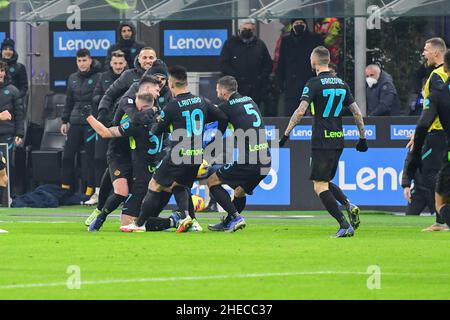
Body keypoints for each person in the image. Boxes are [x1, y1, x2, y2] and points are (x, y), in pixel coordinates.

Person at [120, 65, 228, 233]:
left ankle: (139, 224)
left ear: (171, 84)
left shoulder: (172, 106)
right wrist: (215, 138)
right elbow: (222, 117)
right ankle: (189, 219)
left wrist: (155, 118)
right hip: (197, 155)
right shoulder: (201, 101)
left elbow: (156, 130)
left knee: (154, 185)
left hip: (179, 155)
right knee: (180, 186)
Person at [279, 46, 368, 238]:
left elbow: (300, 111)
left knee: (319, 186)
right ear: (328, 61)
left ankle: (343, 224)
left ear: (313, 62)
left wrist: (285, 135)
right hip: (338, 139)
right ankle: (348, 204)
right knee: (325, 181)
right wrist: (362, 138)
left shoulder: (313, 83)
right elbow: (357, 113)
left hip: (321, 139)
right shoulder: (342, 84)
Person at [84, 75, 162, 229]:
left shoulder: (136, 123)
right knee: (121, 192)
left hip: (139, 167)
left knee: (129, 218)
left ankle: (175, 219)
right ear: (146, 89)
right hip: (123, 155)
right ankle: (100, 212)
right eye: (157, 89)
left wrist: (88, 117)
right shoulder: (133, 102)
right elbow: (136, 115)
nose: (159, 93)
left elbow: (107, 132)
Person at [206, 76, 271, 232]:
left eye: (217, 90)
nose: (217, 92)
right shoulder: (250, 101)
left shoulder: (226, 106)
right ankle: (228, 222)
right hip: (266, 160)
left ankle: (236, 217)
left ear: (222, 91)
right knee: (239, 191)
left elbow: (212, 119)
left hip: (250, 160)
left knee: (212, 181)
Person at [407, 37, 449, 232]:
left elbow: (434, 108)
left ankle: (442, 220)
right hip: (441, 132)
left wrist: (418, 135)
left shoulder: (437, 76)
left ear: (436, 52)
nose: (423, 53)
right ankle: (441, 220)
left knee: (430, 174)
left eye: (426, 49)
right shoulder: (440, 74)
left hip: (438, 132)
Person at [86, 50, 128, 206]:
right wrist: (108, 98)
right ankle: (98, 193)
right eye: (115, 63)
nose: (118, 66)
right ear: (110, 63)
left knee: (125, 159)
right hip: (105, 122)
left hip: (124, 124)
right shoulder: (102, 77)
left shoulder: (130, 78)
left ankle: (125, 195)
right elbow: (95, 96)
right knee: (98, 158)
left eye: (120, 63)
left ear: (125, 63)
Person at [60, 48, 102, 196]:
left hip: (90, 121)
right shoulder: (72, 78)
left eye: (84, 60)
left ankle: (90, 188)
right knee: (68, 155)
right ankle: (65, 188)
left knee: (90, 157)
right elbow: (69, 100)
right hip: (74, 120)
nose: (82, 63)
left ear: (90, 60)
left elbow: (99, 100)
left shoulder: (99, 76)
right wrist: (64, 121)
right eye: (79, 61)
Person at [276, 16, 323, 116]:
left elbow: (320, 60)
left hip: (310, 81)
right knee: (291, 112)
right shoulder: (286, 41)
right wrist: (279, 81)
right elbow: (282, 62)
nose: (299, 26)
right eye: (296, 24)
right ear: (292, 26)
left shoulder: (315, 39)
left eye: (301, 23)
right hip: (291, 85)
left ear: (305, 25)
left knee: (313, 111)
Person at [219, 19, 273, 106]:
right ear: (240, 28)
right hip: (236, 88)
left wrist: (260, 77)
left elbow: (268, 64)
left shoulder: (259, 45)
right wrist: (235, 77)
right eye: (244, 28)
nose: (246, 31)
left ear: (253, 30)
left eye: (249, 29)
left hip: (255, 89)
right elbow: (223, 64)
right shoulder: (230, 43)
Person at [97, 47, 157, 125]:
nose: (148, 61)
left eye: (151, 58)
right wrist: (102, 112)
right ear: (139, 59)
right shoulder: (128, 75)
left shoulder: (161, 77)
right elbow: (109, 95)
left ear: (156, 59)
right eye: (144, 57)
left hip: (153, 122)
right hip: (128, 123)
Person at [0, 61, 24, 193]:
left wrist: (19, 134)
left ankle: (7, 195)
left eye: (1, 70)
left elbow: (19, 114)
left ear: (5, 72)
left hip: (7, 133)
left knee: (6, 164)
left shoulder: (13, 90)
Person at [401, 150, 437, 215]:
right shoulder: (417, 145)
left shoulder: (443, 143)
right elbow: (408, 164)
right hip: (419, 189)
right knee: (409, 216)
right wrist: (406, 185)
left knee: (443, 219)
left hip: (437, 191)